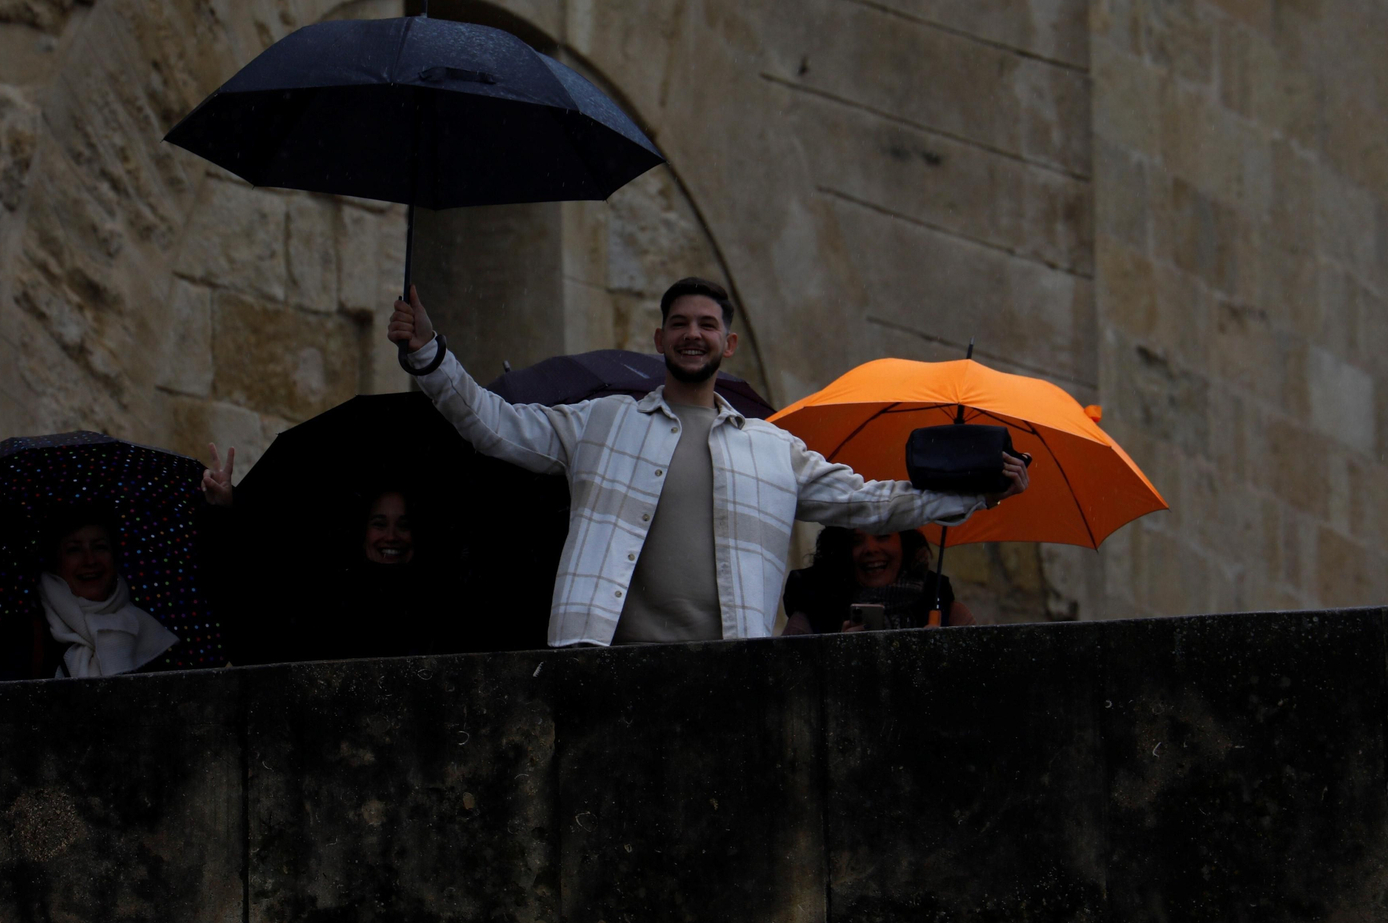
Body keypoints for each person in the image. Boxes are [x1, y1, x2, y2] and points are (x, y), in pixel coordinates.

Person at [386, 276, 1029, 648]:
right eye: (680, 323)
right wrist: (428, 355)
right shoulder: (601, 422)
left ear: (728, 342)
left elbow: (876, 501)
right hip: (608, 662)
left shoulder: (771, 448)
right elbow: (492, 425)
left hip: (729, 670)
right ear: (660, 337)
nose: (693, 334)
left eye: (707, 325)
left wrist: (978, 492)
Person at [200, 448, 442, 661]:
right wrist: (225, 512)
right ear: (363, 530)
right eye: (379, 523)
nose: (391, 536)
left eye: (404, 525)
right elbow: (250, 612)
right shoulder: (331, 600)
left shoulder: (440, 604)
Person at [0, 505, 179, 679]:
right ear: (55, 561)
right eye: (74, 550)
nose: (90, 560)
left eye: (100, 547)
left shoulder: (151, 633)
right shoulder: (20, 637)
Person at [780, 527, 974, 635]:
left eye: (883, 536)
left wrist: (947, 653)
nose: (870, 548)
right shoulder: (812, 616)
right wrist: (836, 654)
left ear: (904, 545)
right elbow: (785, 688)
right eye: (856, 540)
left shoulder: (950, 614)